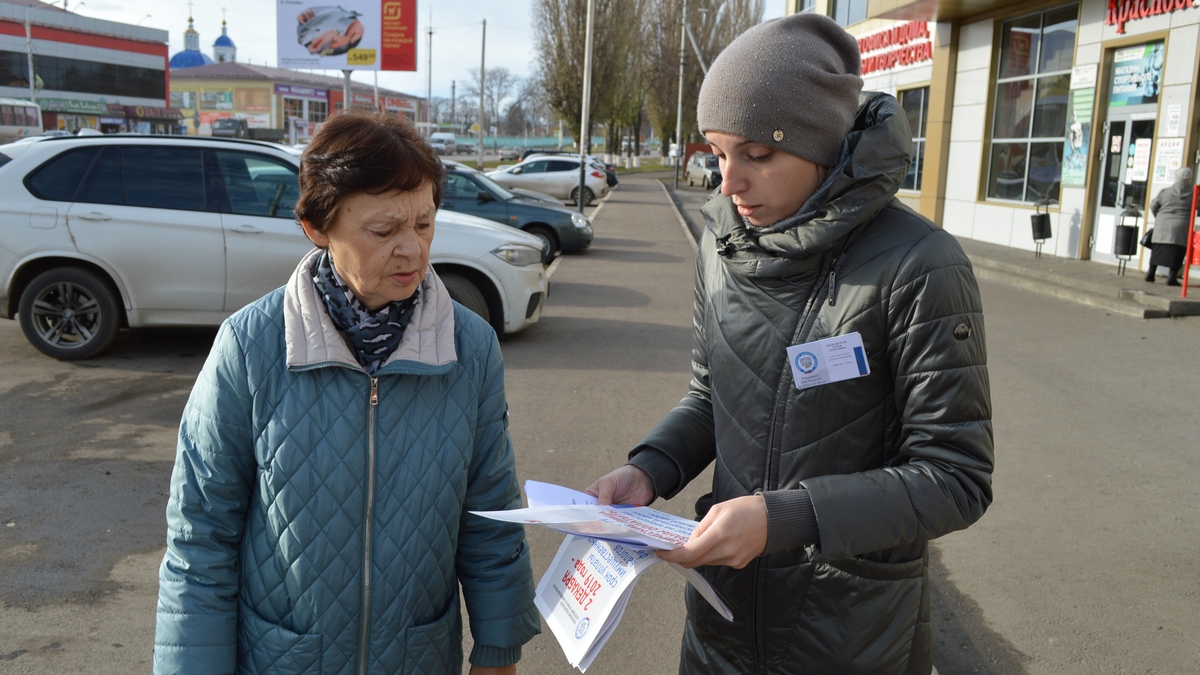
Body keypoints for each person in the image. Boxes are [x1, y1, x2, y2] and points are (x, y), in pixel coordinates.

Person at [587, 14, 993, 674]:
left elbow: (956, 477)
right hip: (720, 626)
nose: (729, 182)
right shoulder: (721, 243)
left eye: (757, 154)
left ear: (822, 142)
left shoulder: (920, 265)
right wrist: (650, 468)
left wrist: (789, 518)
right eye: (718, 153)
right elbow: (712, 394)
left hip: (849, 636)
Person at [154, 110, 539, 675]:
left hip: (417, 656)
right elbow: (200, 538)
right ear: (317, 227)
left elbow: (490, 512)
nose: (411, 251)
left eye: (425, 224)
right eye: (383, 231)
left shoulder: (470, 347)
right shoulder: (250, 346)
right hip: (283, 659)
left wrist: (500, 648)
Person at [1145, 167, 1196, 286]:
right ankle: (1171, 277)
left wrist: (1159, 217)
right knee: (1178, 251)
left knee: (1157, 249)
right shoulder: (1194, 194)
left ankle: (1150, 273)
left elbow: (1153, 206)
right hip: (1181, 225)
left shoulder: (1165, 191)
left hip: (1162, 223)